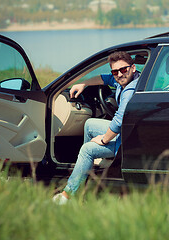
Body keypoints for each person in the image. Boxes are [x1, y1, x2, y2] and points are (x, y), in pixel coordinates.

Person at [53, 51, 140, 204]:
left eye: (123, 70)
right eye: (115, 71)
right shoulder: (124, 80)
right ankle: (86, 174)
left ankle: (67, 196)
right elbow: (103, 78)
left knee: (87, 150)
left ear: (132, 68)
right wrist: (83, 84)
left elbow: (119, 121)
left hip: (126, 142)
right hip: (127, 133)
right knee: (89, 124)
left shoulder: (130, 91)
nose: (119, 74)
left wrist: (104, 140)